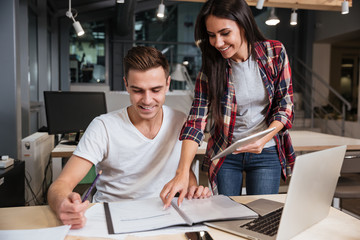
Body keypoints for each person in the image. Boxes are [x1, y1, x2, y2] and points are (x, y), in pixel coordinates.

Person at [47, 46, 211, 229]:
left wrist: (193, 191)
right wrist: (63, 203)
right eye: (138, 90)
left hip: (164, 217)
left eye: (155, 90)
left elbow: (185, 172)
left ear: (168, 84)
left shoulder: (181, 122)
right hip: (112, 218)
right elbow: (61, 185)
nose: (147, 100)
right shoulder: (103, 127)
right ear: (126, 85)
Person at [161, 0, 295, 208]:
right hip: (226, 153)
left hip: (266, 152)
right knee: (224, 216)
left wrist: (263, 139)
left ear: (243, 25)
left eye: (225, 33)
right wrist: (182, 172)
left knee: (261, 215)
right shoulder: (211, 67)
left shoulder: (274, 53)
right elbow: (196, 120)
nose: (217, 43)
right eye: (212, 35)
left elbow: (284, 106)